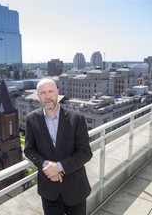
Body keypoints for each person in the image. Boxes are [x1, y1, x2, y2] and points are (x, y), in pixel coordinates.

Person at [24, 78, 93, 215]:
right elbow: (29, 149)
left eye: (50, 91)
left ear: (57, 93)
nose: (47, 96)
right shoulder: (31, 119)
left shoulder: (77, 118)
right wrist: (46, 166)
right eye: (43, 93)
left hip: (75, 189)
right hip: (49, 190)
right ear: (38, 96)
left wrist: (59, 167)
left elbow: (85, 152)